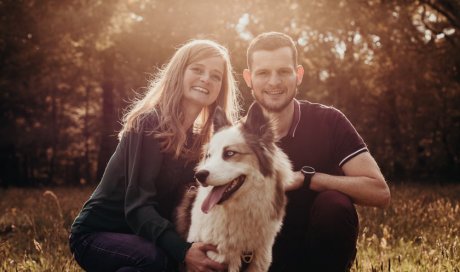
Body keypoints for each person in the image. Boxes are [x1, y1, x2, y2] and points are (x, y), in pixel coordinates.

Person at [69, 39, 241, 272]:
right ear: (179, 73)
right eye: (197, 69)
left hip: (145, 237)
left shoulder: (203, 141)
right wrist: (182, 251)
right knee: (156, 259)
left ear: (221, 87)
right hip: (98, 236)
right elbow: (138, 207)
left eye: (215, 76)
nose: (206, 79)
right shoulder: (149, 124)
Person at [242, 32, 391, 271]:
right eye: (263, 73)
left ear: (298, 75)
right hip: (259, 256)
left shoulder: (328, 121)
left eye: (283, 71)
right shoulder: (234, 139)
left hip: (317, 256)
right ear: (249, 78)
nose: (274, 82)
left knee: (334, 203)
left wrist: (310, 179)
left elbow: (379, 192)